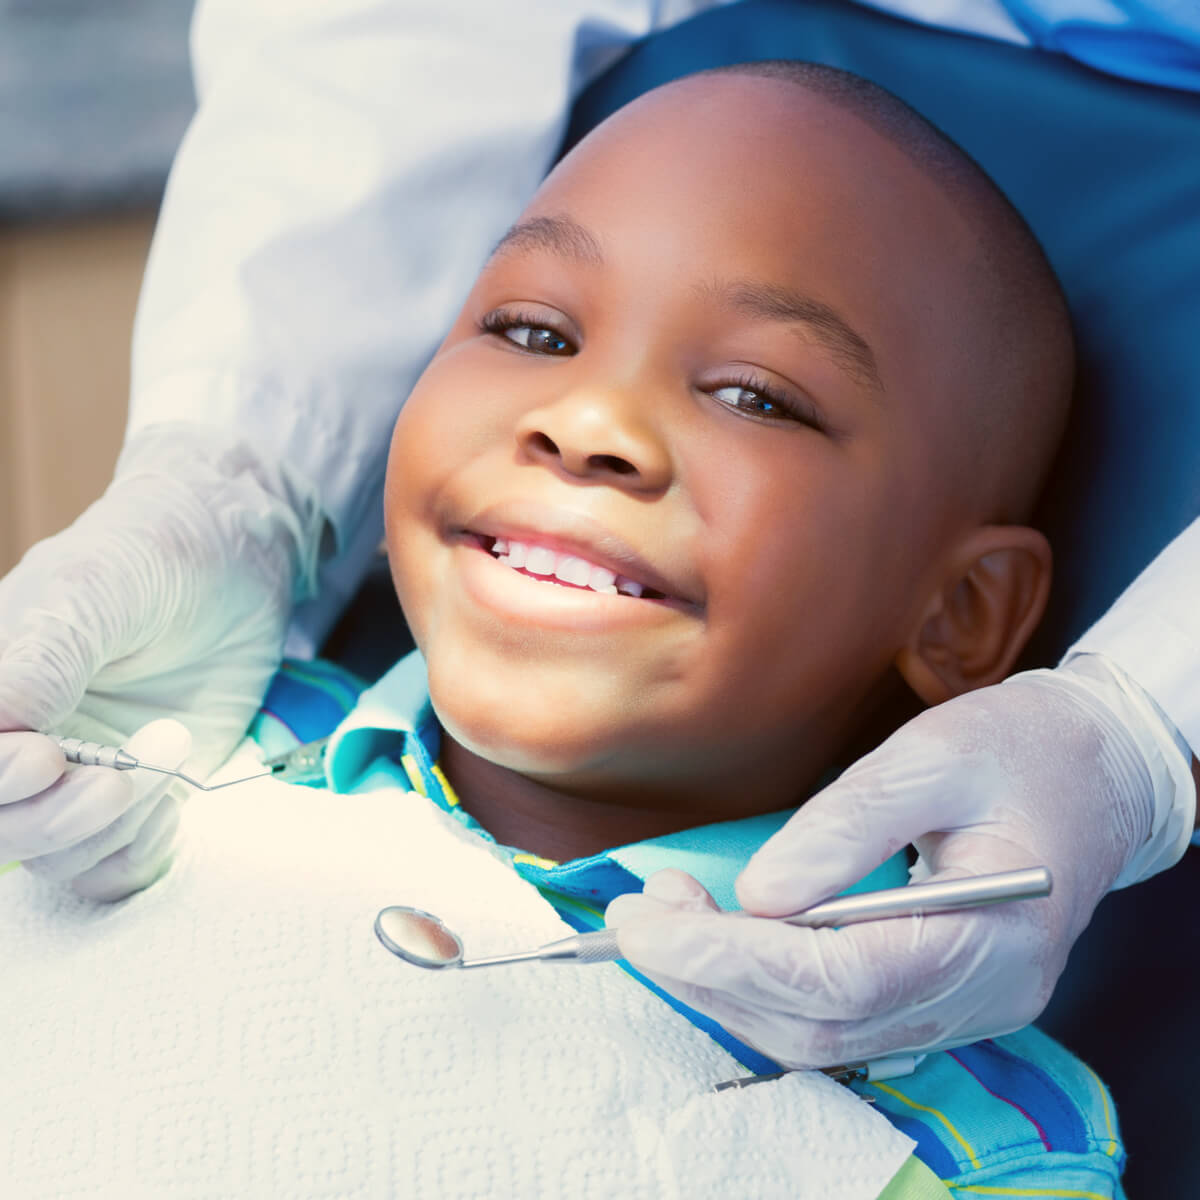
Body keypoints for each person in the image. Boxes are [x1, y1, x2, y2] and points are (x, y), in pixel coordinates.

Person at [0, 0, 1197, 1069]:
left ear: (963, 612)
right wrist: (232, 482)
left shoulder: (972, 1126)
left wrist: (1141, 729)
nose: (588, 423)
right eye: (530, 332)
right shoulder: (146, 793)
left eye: (754, 398)